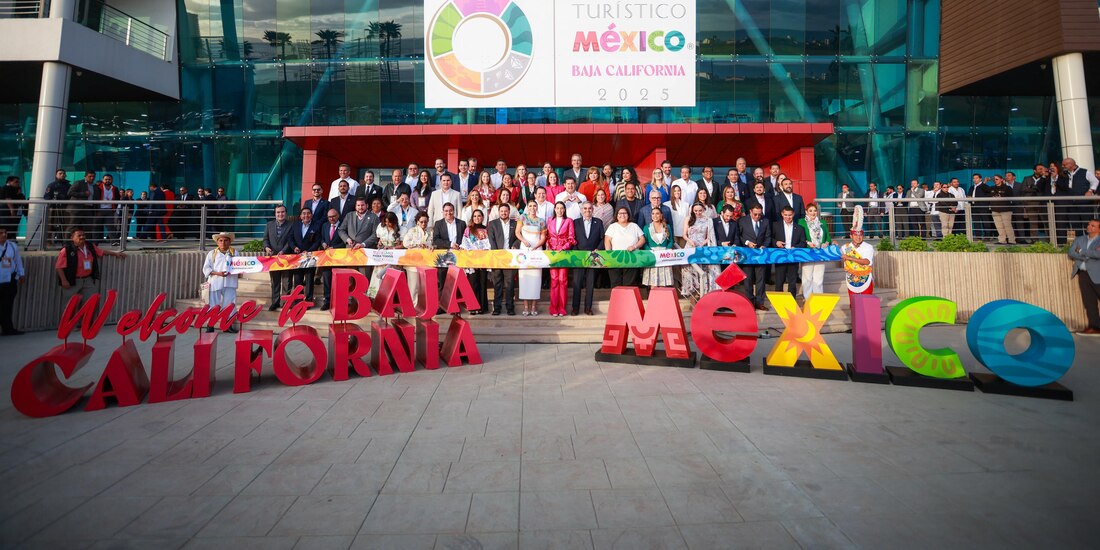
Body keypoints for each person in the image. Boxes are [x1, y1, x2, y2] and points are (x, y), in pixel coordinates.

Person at [55, 228, 125, 308]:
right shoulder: (67, 250)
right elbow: (59, 267)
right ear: (72, 237)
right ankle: (68, 321)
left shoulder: (90, 246)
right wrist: (64, 280)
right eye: (79, 235)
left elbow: (101, 252)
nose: (82, 237)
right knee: (70, 306)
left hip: (88, 280)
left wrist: (115, 254)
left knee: (91, 302)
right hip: (73, 280)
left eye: (84, 235)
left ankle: (88, 320)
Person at [201, 231, 239, 333]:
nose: (223, 243)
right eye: (221, 240)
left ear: (229, 241)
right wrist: (218, 273)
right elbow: (206, 269)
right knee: (213, 304)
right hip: (214, 282)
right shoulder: (211, 253)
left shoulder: (235, 253)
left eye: (226, 240)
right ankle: (210, 325)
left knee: (230, 304)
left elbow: (238, 266)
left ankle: (227, 325)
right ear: (217, 242)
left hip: (230, 282)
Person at [572, 202, 604, 315]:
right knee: (577, 283)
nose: (587, 210)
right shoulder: (575, 222)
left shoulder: (598, 222)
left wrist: (598, 249)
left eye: (590, 208)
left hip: (593, 257)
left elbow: (602, 239)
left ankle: (588, 308)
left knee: (590, 284)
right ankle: (575, 308)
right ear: (581, 210)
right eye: (585, 208)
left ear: (593, 210)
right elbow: (572, 238)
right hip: (579, 257)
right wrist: (576, 251)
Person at [516, 200, 547, 315]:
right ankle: (525, 307)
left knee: (535, 279)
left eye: (534, 206)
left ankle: (534, 306)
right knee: (524, 278)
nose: (532, 208)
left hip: (537, 251)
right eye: (530, 206)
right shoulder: (522, 218)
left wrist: (536, 246)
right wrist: (524, 241)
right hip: (524, 250)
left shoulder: (541, 221)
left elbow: (543, 237)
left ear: (537, 207)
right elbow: (517, 233)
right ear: (527, 207)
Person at [1069, 219, 1100, 335]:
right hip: (1083, 274)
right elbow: (1071, 252)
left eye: (1093, 225)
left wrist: (1081, 251)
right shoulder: (1080, 239)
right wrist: (1088, 254)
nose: (1089, 227)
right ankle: (1095, 327)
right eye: (1089, 224)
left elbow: (1098, 254)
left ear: (1098, 229)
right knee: (1089, 302)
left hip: (1098, 274)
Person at [682, 202, 719, 300]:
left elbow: (709, 236)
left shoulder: (708, 220)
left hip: (702, 248)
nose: (698, 213)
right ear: (692, 211)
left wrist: (703, 244)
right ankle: (692, 296)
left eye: (700, 211)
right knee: (691, 272)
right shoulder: (688, 219)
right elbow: (684, 234)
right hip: (690, 247)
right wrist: (690, 241)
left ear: (703, 210)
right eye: (696, 211)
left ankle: (703, 296)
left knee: (702, 270)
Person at [738, 204, 771, 310]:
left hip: (760, 255)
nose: (757, 216)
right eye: (755, 214)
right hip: (747, 254)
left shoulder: (765, 221)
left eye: (759, 214)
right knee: (748, 279)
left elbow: (768, 236)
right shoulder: (742, 221)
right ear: (750, 212)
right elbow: (739, 236)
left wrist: (764, 245)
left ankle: (759, 302)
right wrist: (747, 242)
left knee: (761, 279)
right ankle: (749, 302)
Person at [487, 203, 518, 316]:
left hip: (510, 258)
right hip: (497, 257)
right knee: (497, 284)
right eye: (502, 211)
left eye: (506, 211)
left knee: (509, 284)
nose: (504, 213)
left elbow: (519, 237)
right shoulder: (493, 224)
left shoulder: (515, 224)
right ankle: (497, 308)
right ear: (498, 212)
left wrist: (516, 244)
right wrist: (497, 255)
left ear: (509, 212)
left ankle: (510, 308)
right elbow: (491, 240)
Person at [546, 201, 575, 317]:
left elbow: (571, 238)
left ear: (564, 210)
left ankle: (562, 308)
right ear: (554, 209)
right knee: (554, 280)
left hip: (563, 253)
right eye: (557, 208)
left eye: (561, 208)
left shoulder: (569, 221)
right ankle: (553, 308)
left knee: (562, 280)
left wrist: (563, 248)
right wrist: (548, 246)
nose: (559, 210)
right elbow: (547, 236)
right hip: (552, 253)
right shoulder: (550, 221)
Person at [604, 206, 645, 287]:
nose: (622, 215)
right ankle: (617, 299)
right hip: (615, 258)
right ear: (616, 215)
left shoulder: (634, 226)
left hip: (632, 258)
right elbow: (607, 240)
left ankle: (628, 299)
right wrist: (609, 254)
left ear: (628, 215)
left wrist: (634, 246)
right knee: (616, 283)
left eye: (625, 213)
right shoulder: (612, 226)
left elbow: (642, 239)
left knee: (629, 283)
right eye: (620, 213)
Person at [798, 203, 832, 299]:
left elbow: (828, 237)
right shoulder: (801, 222)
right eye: (810, 211)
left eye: (815, 211)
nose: (813, 213)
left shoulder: (822, 222)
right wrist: (808, 243)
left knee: (819, 277)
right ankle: (807, 298)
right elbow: (799, 237)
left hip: (820, 253)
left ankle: (818, 298)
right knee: (807, 277)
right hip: (808, 252)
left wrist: (826, 243)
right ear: (806, 212)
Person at [287, 207, 321, 304]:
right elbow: (290, 238)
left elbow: (317, 241)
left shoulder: (316, 226)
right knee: (297, 279)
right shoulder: (295, 225)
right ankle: (298, 301)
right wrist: (294, 247)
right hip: (297, 257)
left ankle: (308, 301)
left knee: (309, 279)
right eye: (304, 213)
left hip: (310, 257)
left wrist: (309, 251)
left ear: (311, 215)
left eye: (308, 213)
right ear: (300, 216)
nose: (306, 215)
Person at [460, 209, 491, 315]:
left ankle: (482, 307)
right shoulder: (468, 230)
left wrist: (481, 253)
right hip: (472, 261)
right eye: (475, 216)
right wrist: (473, 254)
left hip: (483, 261)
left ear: (482, 218)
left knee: (482, 283)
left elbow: (488, 244)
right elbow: (465, 243)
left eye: (479, 216)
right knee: (473, 284)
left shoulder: (487, 230)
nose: (477, 218)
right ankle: (473, 307)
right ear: (472, 218)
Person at [262, 205, 292, 311]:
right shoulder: (269, 225)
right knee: (275, 281)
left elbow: (291, 241)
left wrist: (284, 250)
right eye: (278, 212)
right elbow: (265, 239)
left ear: (286, 213)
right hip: (273, 257)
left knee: (287, 281)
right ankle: (275, 302)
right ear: (275, 214)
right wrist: (266, 248)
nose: (280, 214)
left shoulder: (291, 225)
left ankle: (285, 303)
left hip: (287, 257)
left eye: (282, 212)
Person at [772, 206, 807, 299]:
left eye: (790, 215)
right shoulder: (775, 225)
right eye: (786, 215)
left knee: (792, 282)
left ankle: (792, 302)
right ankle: (779, 302)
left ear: (793, 215)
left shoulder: (800, 228)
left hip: (793, 258)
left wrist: (796, 247)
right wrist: (776, 242)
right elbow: (769, 238)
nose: (788, 217)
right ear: (782, 214)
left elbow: (803, 242)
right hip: (780, 257)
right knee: (779, 281)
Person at [368, 212, 402, 300]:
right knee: (378, 276)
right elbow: (379, 240)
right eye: (386, 222)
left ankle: (389, 299)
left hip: (393, 258)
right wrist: (379, 244)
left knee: (389, 278)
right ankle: (376, 298)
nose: (387, 224)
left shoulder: (401, 229)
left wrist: (392, 247)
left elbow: (403, 245)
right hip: (382, 256)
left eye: (389, 222)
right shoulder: (381, 227)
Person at [401, 212, 432, 306]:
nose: (423, 224)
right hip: (412, 264)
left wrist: (431, 246)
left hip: (425, 263)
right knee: (413, 286)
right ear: (417, 222)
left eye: (425, 222)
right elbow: (405, 243)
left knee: (424, 286)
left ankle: (423, 306)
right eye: (421, 222)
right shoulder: (412, 231)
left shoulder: (430, 232)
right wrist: (418, 243)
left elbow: (432, 244)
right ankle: (412, 306)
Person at [317, 208, 344, 311]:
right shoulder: (325, 225)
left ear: (338, 215)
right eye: (329, 217)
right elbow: (322, 238)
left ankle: (338, 302)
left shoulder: (343, 225)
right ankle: (327, 301)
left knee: (339, 281)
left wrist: (336, 248)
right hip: (327, 258)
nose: (331, 218)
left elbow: (345, 241)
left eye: (333, 216)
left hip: (339, 258)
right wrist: (323, 243)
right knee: (327, 280)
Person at [0, 227, 25, 335]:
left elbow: (18, 261)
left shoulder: (12, 246)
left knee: (8, 305)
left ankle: (8, 328)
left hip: (10, 280)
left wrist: (21, 274)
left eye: (5, 232)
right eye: (1, 233)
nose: (4, 235)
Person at [642, 207, 674, 288]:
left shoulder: (667, 226)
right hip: (652, 255)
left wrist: (667, 250)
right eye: (653, 214)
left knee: (664, 282)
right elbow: (644, 242)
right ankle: (653, 299)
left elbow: (671, 241)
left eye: (657, 213)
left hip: (664, 255)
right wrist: (650, 252)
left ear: (661, 215)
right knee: (653, 283)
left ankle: (662, 299)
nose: (655, 215)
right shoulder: (646, 227)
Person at [841, 228, 875, 303]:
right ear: (851, 236)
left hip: (865, 278)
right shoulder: (845, 247)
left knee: (867, 302)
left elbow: (867, 262)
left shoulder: (868, 247)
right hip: (851, 278)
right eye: (855, 235)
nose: (858, 237)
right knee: (853, 304)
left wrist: (849, 258)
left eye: (860, 235)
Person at [1018, 164, 1048, 243]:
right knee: (1033, 222)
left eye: (1042, 169)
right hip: (1030, 203)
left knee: (1046, 222)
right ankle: (1034, 240)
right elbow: (1023, 189)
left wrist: (1031, 187)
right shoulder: (1027, 178)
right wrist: (1035, 188)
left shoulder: (1046, 178)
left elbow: (1045, 189)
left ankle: (1049, 239)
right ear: (1035, 170)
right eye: (1039, 169)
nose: (1041, 170)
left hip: (1043, 202)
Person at [987, 174, 1017, 244]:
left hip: (1005, 210)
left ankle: (1012, 240)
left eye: (997, 179)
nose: (995, 180)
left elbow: (1011, 198)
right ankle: (1002, 240)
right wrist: (987, 181)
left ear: (1001, 179)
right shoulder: (992, 188)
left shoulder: (1007, 188)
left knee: (1007, 226)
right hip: (995, 210)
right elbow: (983, 188)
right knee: (999, 227)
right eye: (994, 179)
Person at [67, 171, 94, 237]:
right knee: (73, 226)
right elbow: (70, 192)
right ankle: (67, 242)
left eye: (93, 176)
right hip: (77, 208)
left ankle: (86, 244)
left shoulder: (94, 185)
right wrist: (83, 194)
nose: (92, 178)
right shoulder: (79, 183)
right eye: (90, 176)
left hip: (88, 209)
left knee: (88, 227)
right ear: (85, 176)